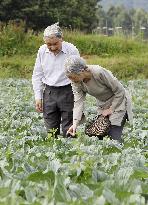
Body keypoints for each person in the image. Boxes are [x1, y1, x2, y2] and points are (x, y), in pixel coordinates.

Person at [65, 56, 133, 143]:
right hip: (103, 105)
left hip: (120, 101)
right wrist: (75, 124)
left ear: (81, 71)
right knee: (98, 134)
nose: (71, 80)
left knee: (114, 136)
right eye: (69, 78)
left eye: (73, 77)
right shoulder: (76, 82)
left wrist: (111, 109)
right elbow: (78, 102)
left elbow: (120, 91)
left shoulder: (98, 72)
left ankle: (121, 152)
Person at [32, 23, 80, 137]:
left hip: (68, 91)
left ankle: (70, 153)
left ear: (61, 39)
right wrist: (38, 97)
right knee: (50, 130)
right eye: (49, 44)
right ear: (44, 42)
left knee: (69, 129)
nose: (52, 47)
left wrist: (78, 96)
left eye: (55, 44)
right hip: (49, 93)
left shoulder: (71, 50)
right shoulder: (42, 51)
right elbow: (37, 74)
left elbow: (79, 73)